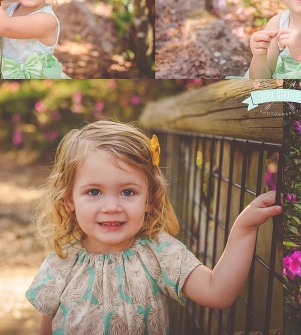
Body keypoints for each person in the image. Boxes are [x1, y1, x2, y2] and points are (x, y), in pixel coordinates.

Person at [25, 120, 282, 334]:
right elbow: (49, 321)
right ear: (69, 199)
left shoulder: (159, 252)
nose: (111, 206)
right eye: (94, 192)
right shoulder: (63, 259)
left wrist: (244, 229)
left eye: (127, 192)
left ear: (150, 198)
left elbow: (218, 293)